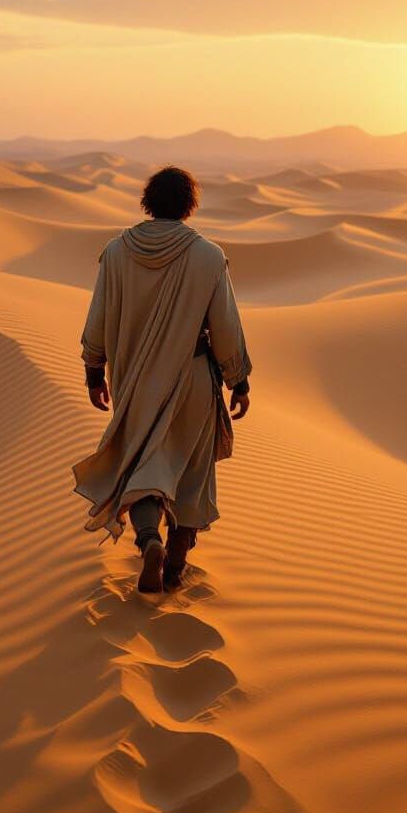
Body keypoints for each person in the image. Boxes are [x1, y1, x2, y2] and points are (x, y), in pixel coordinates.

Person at [71, 165, 252, 594]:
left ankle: (148, 538)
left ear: (148, 201)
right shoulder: (208, 255)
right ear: (189, 205)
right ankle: (174, 566)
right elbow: (225, 327)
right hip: (191, 380)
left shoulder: (116, 252)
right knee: (191, 472)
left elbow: (96, 321)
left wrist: (93, 372)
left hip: (135, 381)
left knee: (141, 464)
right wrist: (238, 380)